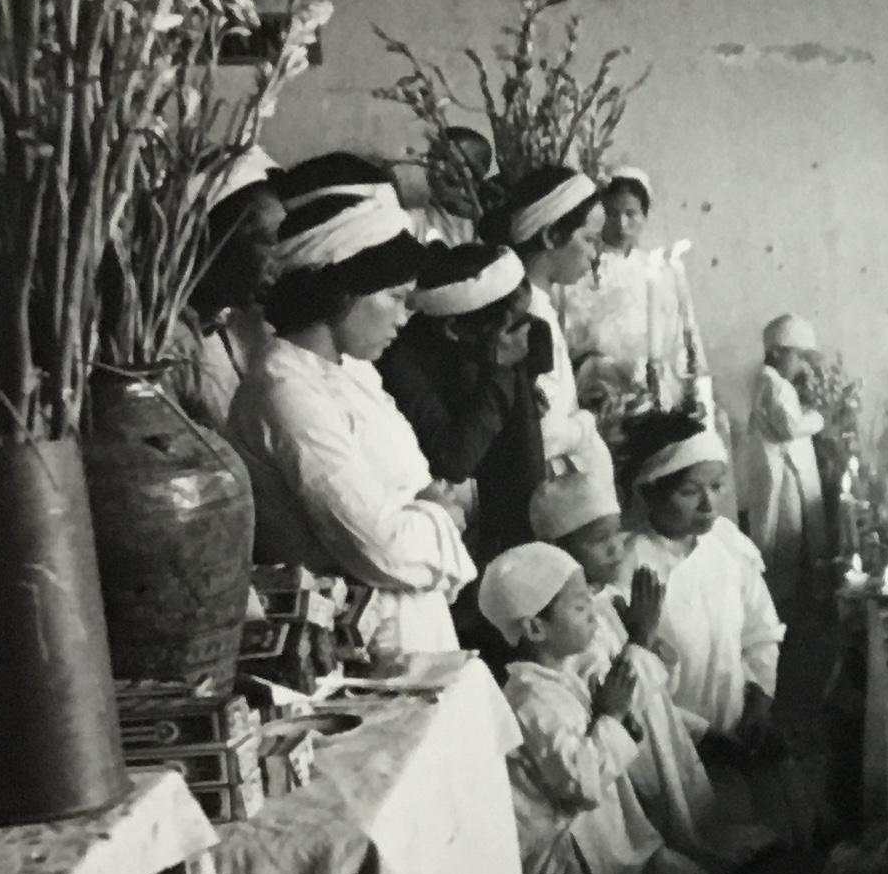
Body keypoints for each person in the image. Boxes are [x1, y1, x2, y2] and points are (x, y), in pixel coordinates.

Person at [474, 541, 750, 874]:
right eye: (581, 606)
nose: (593, 615)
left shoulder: (558, 674)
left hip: (599, 827)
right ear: (536, 628)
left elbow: (616, 716)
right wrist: (610, 719)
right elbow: (580, 782)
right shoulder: (530, 700)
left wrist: (619, 721)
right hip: (565, 853)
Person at [223, 177, 473, 659]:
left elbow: (417, 491)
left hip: (418, 625)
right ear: (344, 291)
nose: (404, 318)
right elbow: (381, 547)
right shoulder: (285, 391)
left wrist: (420, 512)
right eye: (396, 297)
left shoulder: (354, 372)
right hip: (366, 644)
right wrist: (442, 517)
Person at [612, 410, 785, 754]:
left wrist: (757, 703)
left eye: (717, 486)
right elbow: (633, 685)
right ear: (650, 493)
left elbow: (761, 632)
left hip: (739, 726)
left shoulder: (727, 543)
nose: (708, 504)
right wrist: (705, 739)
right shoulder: (630, 567)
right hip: (676, 745)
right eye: (689, 492)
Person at [377, 240, 549, 566]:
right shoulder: (402, 364)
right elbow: (454, 460)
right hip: (443, 537)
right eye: (508, 325)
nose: (523, 333)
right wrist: (499, 372)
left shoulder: (485, 340)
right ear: (454, 328)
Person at [495, 162, 622, 512]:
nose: (596, 255)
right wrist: (587, 422)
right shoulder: (530, 317)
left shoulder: (539, 306)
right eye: (589, 240)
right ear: (552, 236)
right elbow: (541, 436)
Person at [562, 167, 713, 431]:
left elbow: (682, 337)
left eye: (631, 214)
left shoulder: (659, 271)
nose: (621, 225)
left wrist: (692, 390)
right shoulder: (582, 270)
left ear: (644, 216)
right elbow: (574, 332)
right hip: (601, 393)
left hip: (656, 390)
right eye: (611, 214)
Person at [169, 146, 282, 430]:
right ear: (207, 239)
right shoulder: (168, 346)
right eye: (267, 242)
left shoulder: (235, 325)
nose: (280, 261)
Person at [743, 311, 833, 604]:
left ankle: (787, 605)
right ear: (776, 352)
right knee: (784, 543)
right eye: (798, 356)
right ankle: (781, 609)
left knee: (790, 542)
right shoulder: (773, 384)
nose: (802, 365)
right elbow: (790, 426)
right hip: (782, 476)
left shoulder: (775, 383)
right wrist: (820, 418)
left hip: (786, 470)